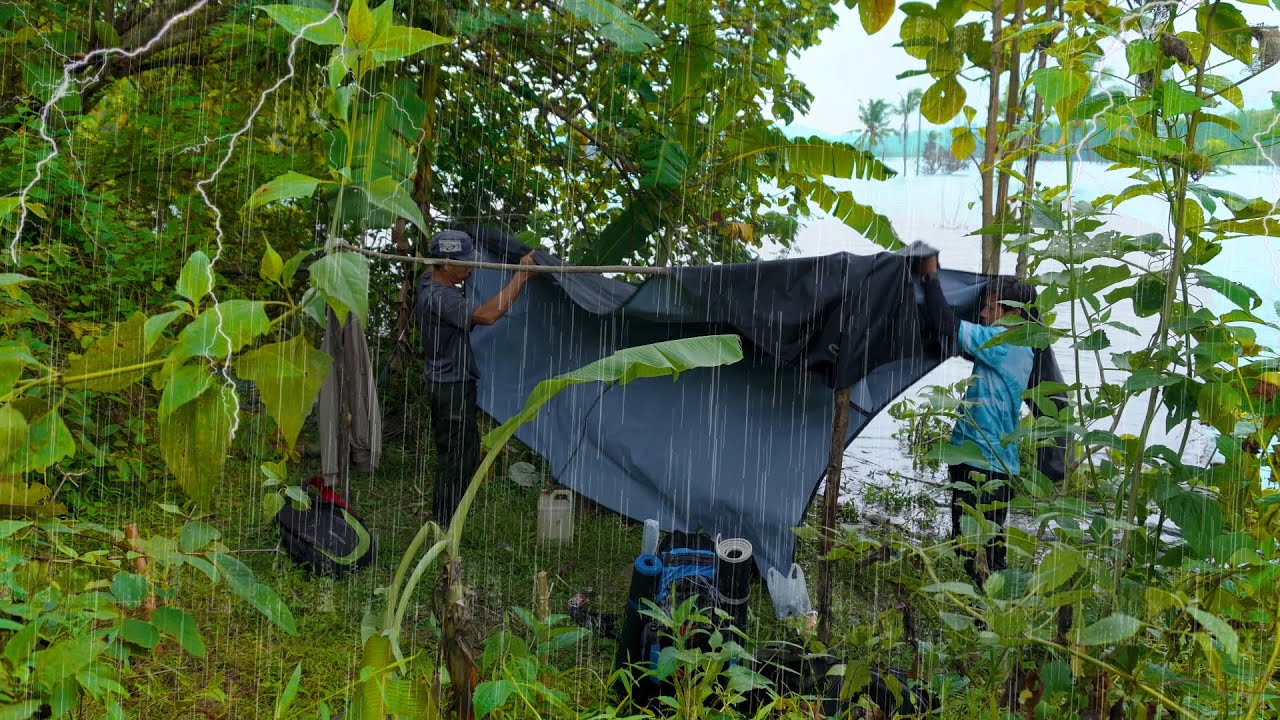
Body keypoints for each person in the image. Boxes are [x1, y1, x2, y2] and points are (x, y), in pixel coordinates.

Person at [913, 253, 1040, 584]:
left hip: (983, 460)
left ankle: (986, 615)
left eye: (991, 307)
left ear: (1014, 314)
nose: (983, 313)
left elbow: (945, 324)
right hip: (991, 459)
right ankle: (987, 610)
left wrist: (929, 277)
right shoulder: (1020, 345)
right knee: (981, 542)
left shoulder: (1004, 342)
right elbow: (953, 337)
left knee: (977, 546)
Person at [416, 230, 536, 525]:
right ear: (444, 264)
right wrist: (521, 275)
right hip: (450, 388)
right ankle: (444, 523)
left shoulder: (429, 278)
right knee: (455, 457)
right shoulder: (439, 297)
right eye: (464, 263)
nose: (471, 268)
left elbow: (433, 267)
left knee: (465, 449)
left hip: (451, 384)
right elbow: (486, 315)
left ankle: (451, 515)